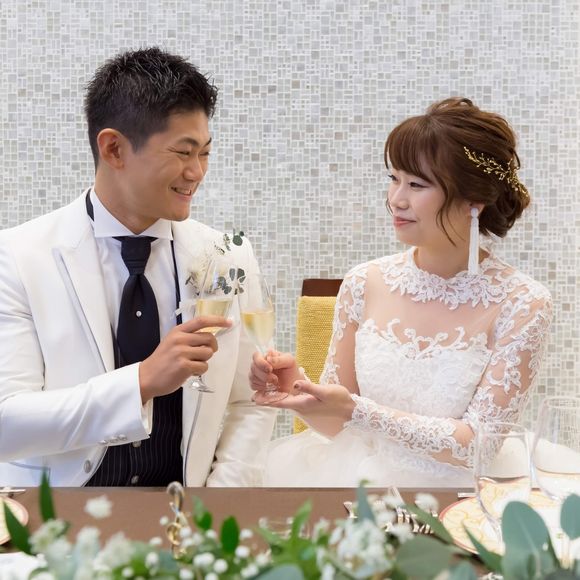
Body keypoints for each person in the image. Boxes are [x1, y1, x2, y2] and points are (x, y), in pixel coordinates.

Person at [0, 47, 277, 487]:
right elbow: (8, 423)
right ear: (113, 148)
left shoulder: (228, 255)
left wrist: (217, 502)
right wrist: (142, 382)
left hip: (188, 511)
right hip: (56, 510)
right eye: (183, 152)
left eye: (205, 152)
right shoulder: (17, 256)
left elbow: (251, 401)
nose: (197, 172)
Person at [250, 97, 553, 487]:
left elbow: (477, 446)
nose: (397, 199)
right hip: (355, 481)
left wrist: (358, 411)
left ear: (473, 201)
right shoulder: (364, 283)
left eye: (417, 184)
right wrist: (295, 386)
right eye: (394, 178)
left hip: (462, 496)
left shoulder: (524, 303)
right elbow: (335, 426)